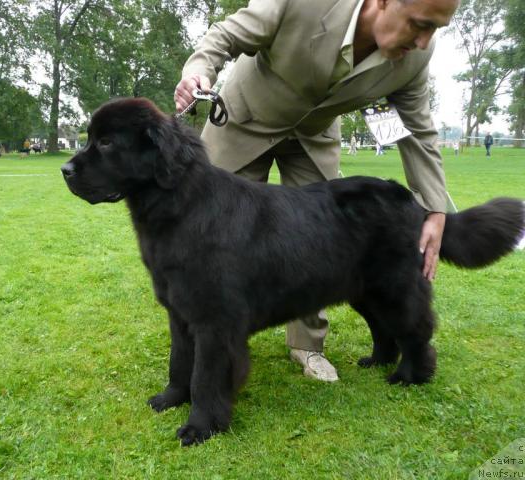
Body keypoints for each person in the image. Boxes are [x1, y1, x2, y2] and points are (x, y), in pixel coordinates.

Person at [174, 0, 458, 382]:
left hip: (314, 136)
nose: (424, 42)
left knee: (316, 245)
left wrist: (436, 208)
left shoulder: (415, 57)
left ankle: (307, 346)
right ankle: (202, 342)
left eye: (434, 30)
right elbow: (225, 36)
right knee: (209, 239)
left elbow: (418, 131)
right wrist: (197, 72)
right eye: (419, 25)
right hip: (245, 120)